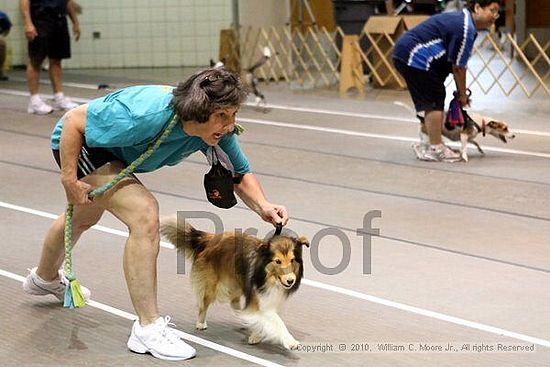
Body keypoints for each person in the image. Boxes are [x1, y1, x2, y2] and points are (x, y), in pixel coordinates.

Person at [22, 67, 289, 361]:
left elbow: (239, 173)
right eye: (222, 116)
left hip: (115, 154)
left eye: (234, 115)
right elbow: (73, 121)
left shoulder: (215, 133)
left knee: (84, 218)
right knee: (144, 214)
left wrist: (263, 205)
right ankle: (147, 328)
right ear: (199, 109)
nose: (229, 125)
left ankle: (44, 280)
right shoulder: (147, 114)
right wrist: (69, 180)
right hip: (82, 144)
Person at [392, 0, 500, 162]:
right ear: (477, 8)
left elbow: (451, 63)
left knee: (432, 98)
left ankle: (427, 143)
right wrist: (462, 95)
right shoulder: (465, 28)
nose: (495, 16)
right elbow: (458, 67)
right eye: (492, 10)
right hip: (415, 56)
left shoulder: (463, 24)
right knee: (434, 101)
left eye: (497, 13)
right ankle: (436, 148)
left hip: (408, 54)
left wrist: (459, 92)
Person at [20, 0, 80, 114]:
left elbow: (68, 2)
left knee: (57, 60)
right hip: (40, 20)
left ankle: (58, 97)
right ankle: (34, 101)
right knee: (35, 60)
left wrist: (75, 22)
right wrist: (28, 23)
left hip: (59, 20)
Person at [0, 10, 11, 81]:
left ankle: (0, 69)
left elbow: (7, 28)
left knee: (1, 43)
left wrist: (2, 36)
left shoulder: (2, 16)